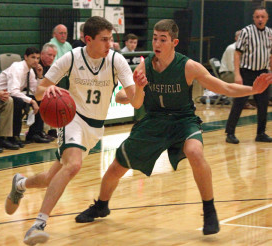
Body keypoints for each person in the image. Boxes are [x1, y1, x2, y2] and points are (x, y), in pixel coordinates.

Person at [75, 19, 272, 236]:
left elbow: (224, 87)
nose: (157, 43)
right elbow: (131, 96)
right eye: (154, 38)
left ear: (174, 42)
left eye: (163, 39)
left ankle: (209, 209)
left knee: (195, 152)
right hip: (154, 121)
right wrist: (127, 93)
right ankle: (101, 205)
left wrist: (252, 89)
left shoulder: (188, 66)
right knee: (116, 168)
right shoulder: (145, 65)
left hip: (183, 121)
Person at [5, 16, 144, 245]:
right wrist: (47, 92)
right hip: (72, 118)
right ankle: (38, 224)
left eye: (111, 39)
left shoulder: (116, 61)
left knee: (51, 178)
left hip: (95, 128)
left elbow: (136, 103)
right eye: (104, 40)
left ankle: (20, 183)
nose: (110, 44)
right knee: (74, 165)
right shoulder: (71, 58)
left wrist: (138, 87)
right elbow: (39, 90)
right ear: (88, 40)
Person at [225, 7, 272, 144]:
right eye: (257, 17)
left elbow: (270, 56)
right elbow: (237, 53)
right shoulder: (246, 32)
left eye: (262, 17)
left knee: (263, 104)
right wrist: (237, 74)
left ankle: (261, 133)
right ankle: (230, 132)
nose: (260, 19)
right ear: (253, 18)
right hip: (247, 72)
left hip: (263, 73)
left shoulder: (270, 33)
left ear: (267, 18)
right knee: (239, 103)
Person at [0, 47, 51, 146]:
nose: (35, 60)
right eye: (33, 57)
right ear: (25, 57)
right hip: (0, 94)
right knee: (18, 101)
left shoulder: (30, 71)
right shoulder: (17, 67)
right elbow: (12, 91)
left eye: (38, 58)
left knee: (40, 99)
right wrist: (31, 101)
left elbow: (36, 92)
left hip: (11, 94)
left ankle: (34, 133)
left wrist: (39, 76)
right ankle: (14, 136)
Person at [219, 30, 255, 110]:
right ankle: (243, 102)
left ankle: (253, 100)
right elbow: (232, 67)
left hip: (235, 72)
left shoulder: (245, 49)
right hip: (227, 74)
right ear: (236, 38)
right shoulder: (232, 48)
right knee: (245, 79)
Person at [50, 24, 73, 90]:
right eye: (61, 33)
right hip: (57, 75)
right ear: (54, 34)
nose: (63, 35)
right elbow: (54, 65)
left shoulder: (68, 45)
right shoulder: (51, 45)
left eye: (65, 33)